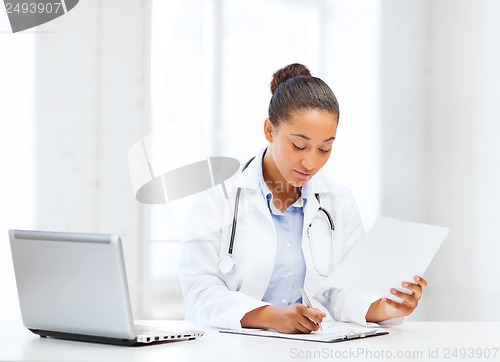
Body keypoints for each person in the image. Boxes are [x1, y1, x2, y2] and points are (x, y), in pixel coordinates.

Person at [178, 63, 427, 333]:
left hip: (307, 349)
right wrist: (270, 316)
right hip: (229, 348)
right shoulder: (217, 198)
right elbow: (201, 292)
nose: (310, 162)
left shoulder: (337, 200)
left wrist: (385, 307)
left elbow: (341, 291)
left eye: (324, 148)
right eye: (299, 145)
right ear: (269, 130)